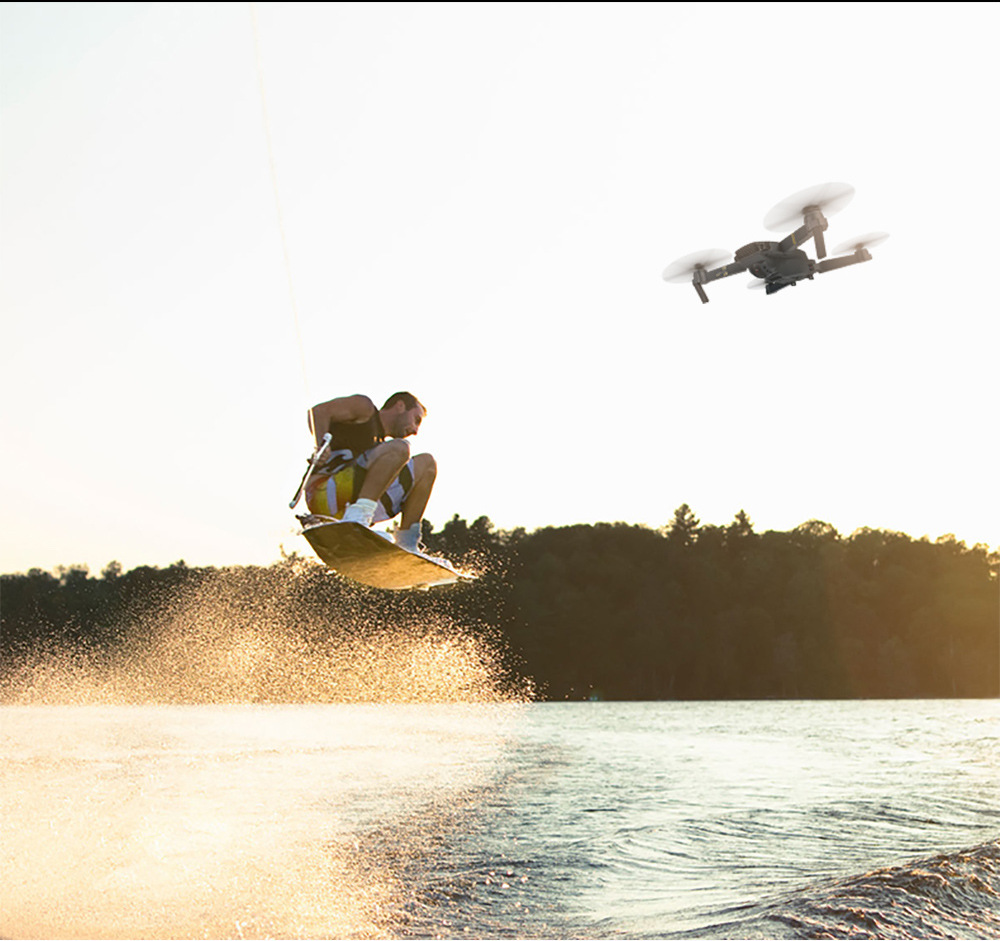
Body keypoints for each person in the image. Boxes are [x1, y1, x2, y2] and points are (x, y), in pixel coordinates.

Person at [302, 391, 436, 555]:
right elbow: (318, 412)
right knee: (401, 448)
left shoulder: (383, 453)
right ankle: (356, 519)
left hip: (347, 504)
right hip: (323, 493)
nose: (415, 430)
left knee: (427, 464)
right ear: (400, 406)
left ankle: (407, 543)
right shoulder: (365, 409)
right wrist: (321, 445)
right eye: (416, 420)